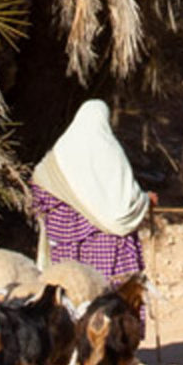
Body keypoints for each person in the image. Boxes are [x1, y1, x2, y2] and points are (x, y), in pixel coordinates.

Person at [32, 100, 152, 280]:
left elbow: (39, 188)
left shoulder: (59, 154)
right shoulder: (109, 150)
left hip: (65, 248)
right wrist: (145, 200)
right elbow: (123, 205)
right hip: (106, 246)